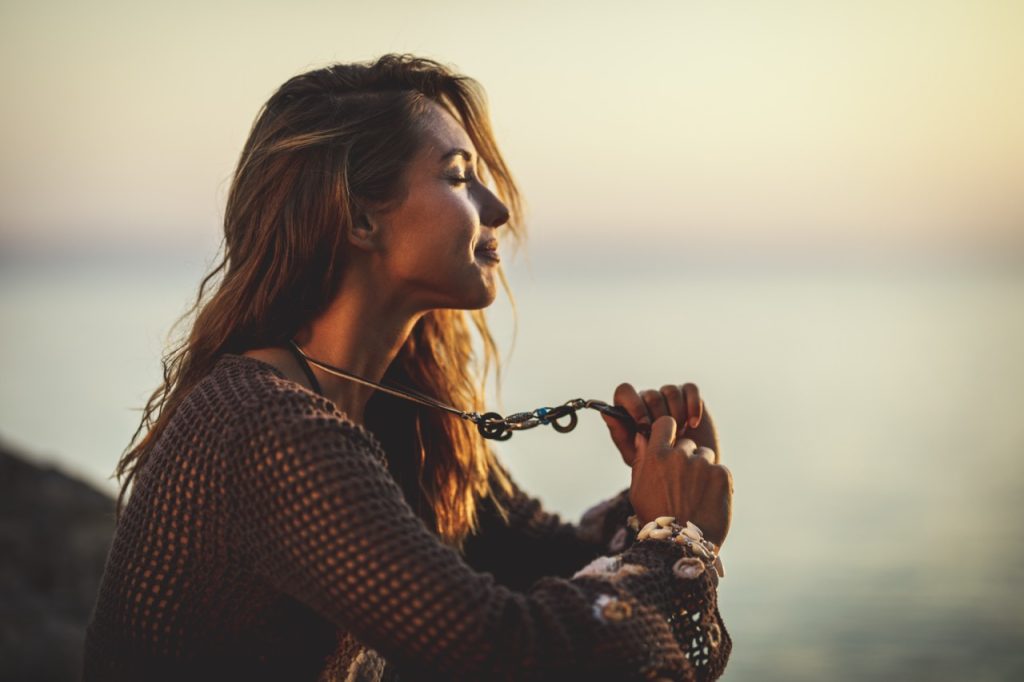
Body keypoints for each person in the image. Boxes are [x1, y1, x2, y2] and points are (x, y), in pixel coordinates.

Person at [83, 54, 734, 681]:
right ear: (360, 218)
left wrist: (664, 491)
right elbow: (508, 653)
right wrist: (676, 540)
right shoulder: (268, 428)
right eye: (458, 176)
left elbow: (540, 560)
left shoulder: (389, 409)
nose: (499, 210)